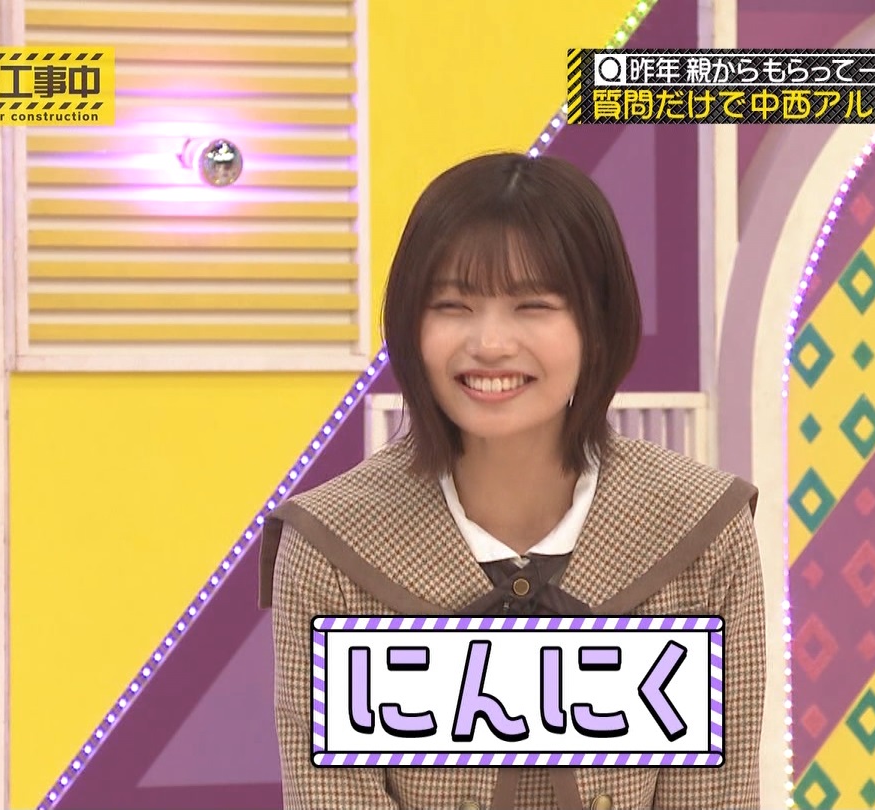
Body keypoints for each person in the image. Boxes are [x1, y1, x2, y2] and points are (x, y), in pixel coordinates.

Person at [260, 152, 765, 809]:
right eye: (452, 305)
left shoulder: (701, 529)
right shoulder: (331, 546)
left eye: (533, 305)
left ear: (598, 325)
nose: (490, 343)